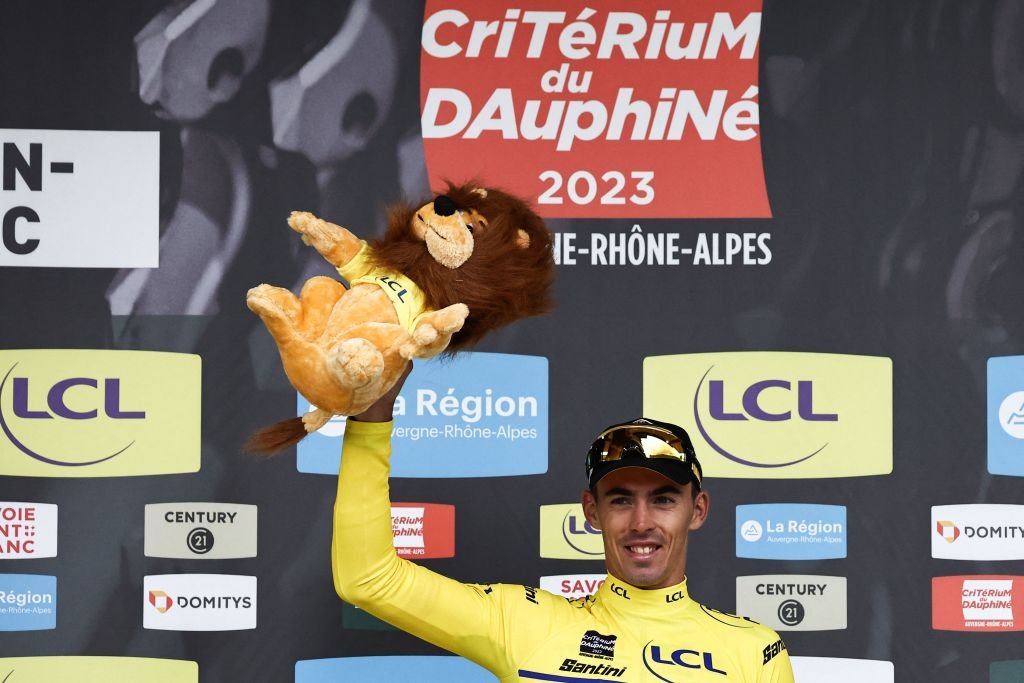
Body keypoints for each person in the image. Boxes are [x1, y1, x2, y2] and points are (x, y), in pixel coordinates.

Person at [333, 365, 795, 682]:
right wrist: (371, 419)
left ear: (697, 510)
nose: (640, 522)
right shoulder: (524, 622)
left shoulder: (754, 651)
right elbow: (368, 580)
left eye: (663, 499)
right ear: (592, 512)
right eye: (619, 500)